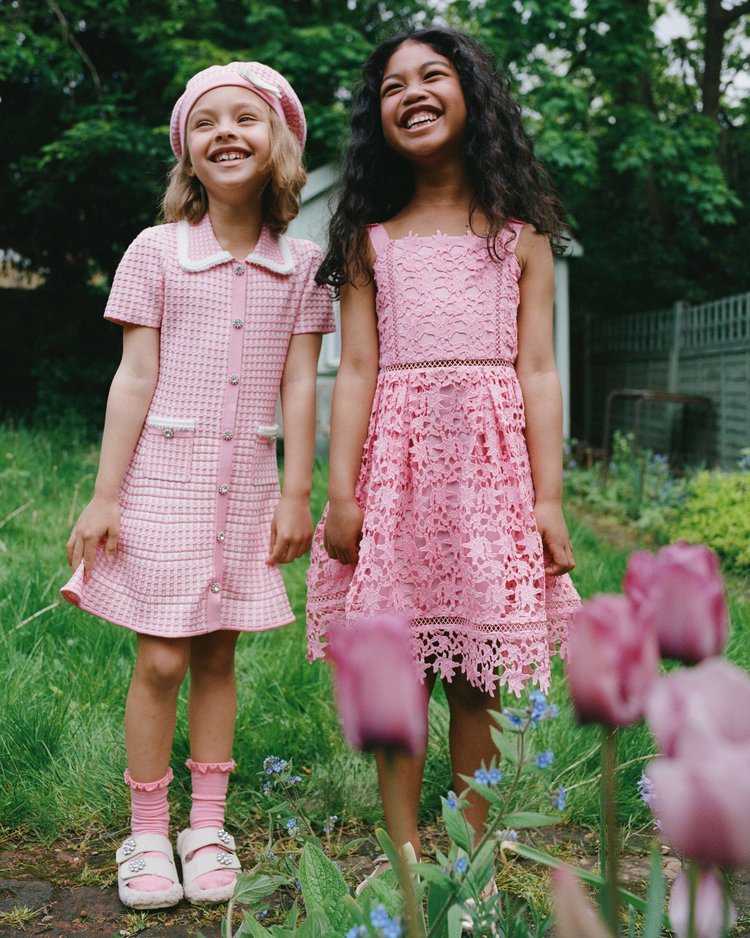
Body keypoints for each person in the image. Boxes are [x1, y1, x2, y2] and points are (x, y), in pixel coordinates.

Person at [305, 27, 581, 877]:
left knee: (477, 676)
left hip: (489, 477)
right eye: (392, 86)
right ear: (376, 118)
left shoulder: (519, 235)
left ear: (474, 99)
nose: (411, 93)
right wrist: (341, 492)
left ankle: (472, 860)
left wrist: (547, 499)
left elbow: (537, 368)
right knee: (398, 669)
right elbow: (355, 369)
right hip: (398, 474)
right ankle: (404, 856)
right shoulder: (369, 240)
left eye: (432, 76)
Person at [62, 62, 334, 910]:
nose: (226, 132)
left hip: (250, 483)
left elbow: (299, 385)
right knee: (161, 655)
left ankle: (205, 826)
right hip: (165, 481)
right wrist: (106, 495)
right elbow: (133, 377)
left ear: (279, 144)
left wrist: (298, 492)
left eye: (246, 118)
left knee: (220, 651)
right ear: (188, 152)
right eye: (206, 121)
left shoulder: (306, 265)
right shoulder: (156, 250)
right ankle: (147, 832)